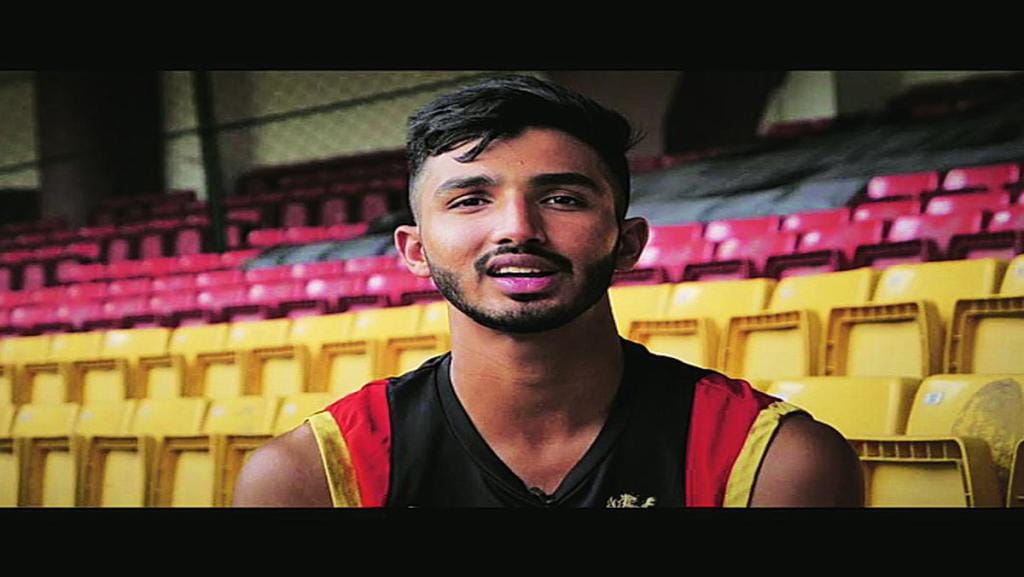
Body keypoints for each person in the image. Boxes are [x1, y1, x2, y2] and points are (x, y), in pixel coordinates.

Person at [232, 74, 864, 508]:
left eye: (562, 198)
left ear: (628, 242)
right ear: (416, 251)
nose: (518, 229)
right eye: (470, 199)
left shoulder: (771, 461)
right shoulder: (311, 477)